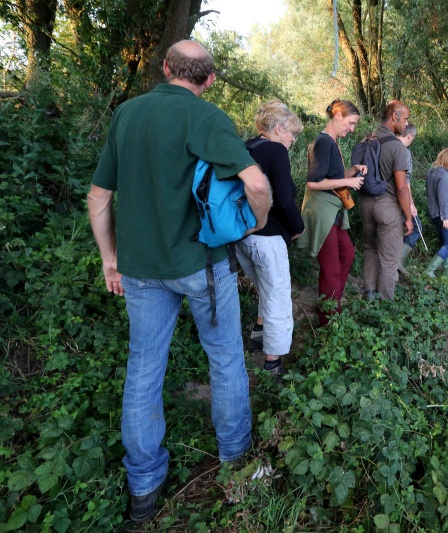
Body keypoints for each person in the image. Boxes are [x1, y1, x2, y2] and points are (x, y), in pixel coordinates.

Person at [87, 40, 272, 523]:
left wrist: (111, 260)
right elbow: (254, 183)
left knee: (144, 368)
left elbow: (99, 195)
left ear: (165, 68)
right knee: (227, 359)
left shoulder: (127, 114)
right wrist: (256, 222)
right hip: (201, 265)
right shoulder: (206, 118)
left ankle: (143, 489)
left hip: (140, 269)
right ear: (208, 79)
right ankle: (235, 462)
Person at [236, 99, 304, 377]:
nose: (293, 139)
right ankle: (272, 364)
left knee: (263, 286)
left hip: (242, 236)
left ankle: (258, 333)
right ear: (277, 129)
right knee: (277, 296)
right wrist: (298, 226)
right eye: (292, 133)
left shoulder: (246, 147)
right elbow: (285, 200)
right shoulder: (276, 151)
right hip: (268, 236)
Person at [298, 99, 365, 326]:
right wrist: (349, 181)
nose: (352, 128)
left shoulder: (332, 142)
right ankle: (327, 319)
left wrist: (352, 171)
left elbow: (331, 177)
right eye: (351, 123)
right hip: (322, 212)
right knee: (332, 267)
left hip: (334, 212)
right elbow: (314, 183)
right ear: (337, 115)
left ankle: (333, 301)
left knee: (347, 254)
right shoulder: (324, 142)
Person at [361, 100, 412, 300]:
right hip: (387, 207)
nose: (406, 123)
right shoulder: (397, 147)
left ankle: (369, 296)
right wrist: (408, 217)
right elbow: (401, 187)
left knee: (370, 249)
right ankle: (385, 305)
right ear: (394, 116)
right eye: (405, 118)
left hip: (366, 204)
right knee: (390, 259)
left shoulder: (367, 140)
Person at [425, 148, 448, 277]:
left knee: (444, 243)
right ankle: (430, 270)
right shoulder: (443, 173)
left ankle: (447, 267)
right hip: (446, 215)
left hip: (434, 213)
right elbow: (443, 197)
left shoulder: (431, 172)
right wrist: (445, 217)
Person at [397, 123, 420, 275]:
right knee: (416, 227)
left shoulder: (389, 145)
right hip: (400, 198)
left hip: (385, 199)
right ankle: (397, 261)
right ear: (410, 136)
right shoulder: (405, 152)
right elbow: (405, 181)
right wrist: (410, 204)